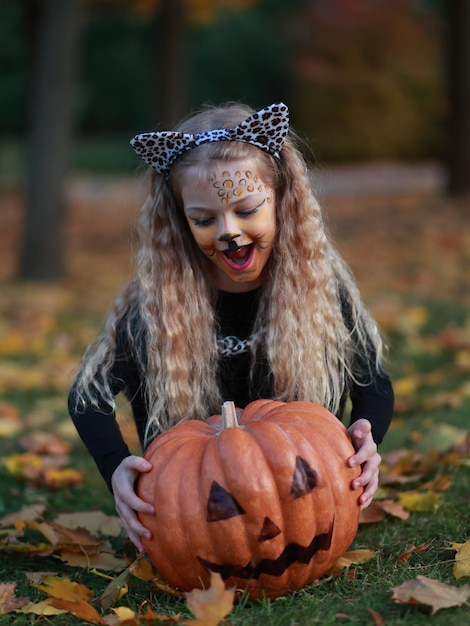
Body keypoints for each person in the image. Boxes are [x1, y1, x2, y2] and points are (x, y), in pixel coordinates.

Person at [68, 102, 394, 552]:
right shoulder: (160, 305)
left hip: (302, 489)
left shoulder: (315, 288)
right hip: (200, 506)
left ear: (283, 200)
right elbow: (88, 397)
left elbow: (373, 383)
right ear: (181, 219)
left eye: (246, 210)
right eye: (204, 219)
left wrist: (366, 435)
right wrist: (117, 465)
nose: (228, 232)